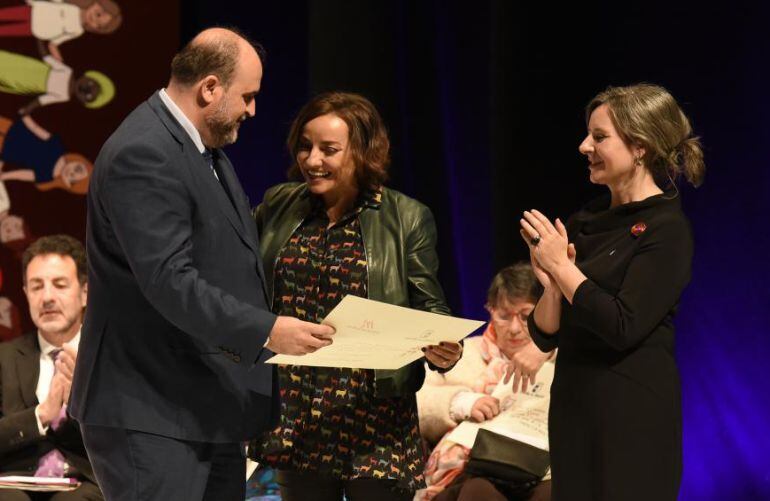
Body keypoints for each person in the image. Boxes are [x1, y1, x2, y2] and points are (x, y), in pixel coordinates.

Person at [68, 27, 334, 501]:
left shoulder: (200, 148)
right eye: (247, 97)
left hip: (199, 406)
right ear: (210, 88)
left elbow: (225, 260)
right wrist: (268, 330)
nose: (253, 110)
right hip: (149, 412)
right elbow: (169, 280)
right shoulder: (145, 152)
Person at [252, 91, 463, 501]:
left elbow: (430, 305)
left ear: (364, 151)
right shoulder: (280, 204)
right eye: (305, 146)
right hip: (297, 409)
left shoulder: (405, 216)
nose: (312, 160)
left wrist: (445, 348)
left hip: (373, 412)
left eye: (329, 150)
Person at [519, 83, 704, 500]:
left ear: (640, 147)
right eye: (588, 135)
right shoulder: (585, 221)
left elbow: (622, 325)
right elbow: (546, 335)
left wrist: (563, 269)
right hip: (573, 407)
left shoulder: (666, 229)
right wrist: (551, 285)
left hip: (631, 414)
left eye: (599, 137)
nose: (584, 146)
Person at [416, 263, 554, 501]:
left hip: (539, 467)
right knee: (478, 491)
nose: (514, 329)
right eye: (503, 315)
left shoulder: (560, 361)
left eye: (525, 316)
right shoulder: (462, 353)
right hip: (470, 469)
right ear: (490, 310)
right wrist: (460, 402)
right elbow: (415, 398)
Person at [0, 234, 103, 500]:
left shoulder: (107, 358)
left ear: (84, 293)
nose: (47, 297)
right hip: (15, 484)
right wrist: (41, 414)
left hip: (85, 482)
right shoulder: (5, 358)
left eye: (59, 285)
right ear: (25, 294)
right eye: (36, 287)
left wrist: (81, 403)